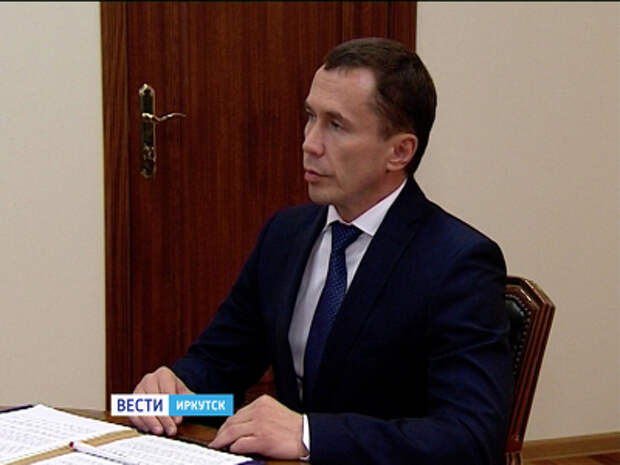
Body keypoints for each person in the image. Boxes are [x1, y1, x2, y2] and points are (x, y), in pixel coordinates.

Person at [130, 38, 514, 465]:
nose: (309, 143)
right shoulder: (285, 234)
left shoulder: (457, 262)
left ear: (399, 151)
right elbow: (221, 365)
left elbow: (471, 438)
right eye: (310, 117)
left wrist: (311, 436)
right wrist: (174, 394)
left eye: (336, 126)